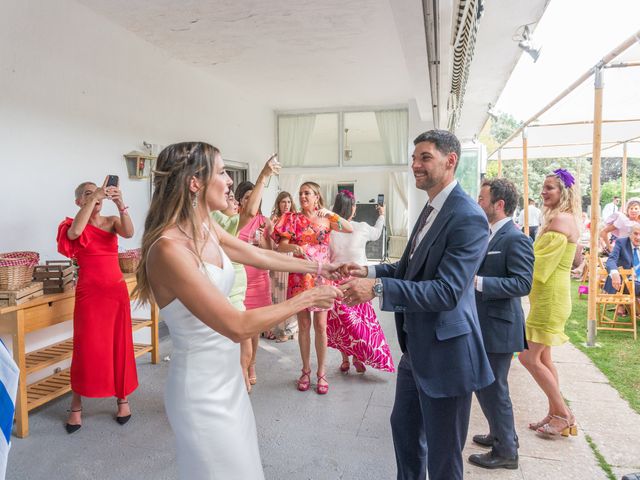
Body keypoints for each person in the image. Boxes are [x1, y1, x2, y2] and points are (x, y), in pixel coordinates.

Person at [135, 142, 342, 479]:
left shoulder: (205, 227)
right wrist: (307, 298)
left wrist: (319, 268)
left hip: (228, 379)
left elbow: (257, 255)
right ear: (194, 183)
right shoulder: (169, 250)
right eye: (221, 172)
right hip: (200, 391)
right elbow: (236, 325)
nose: (230, 181)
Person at [340, 129, 494, 480]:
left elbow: (445, 292)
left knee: (443, 459)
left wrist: (377, 287)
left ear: (450, 161)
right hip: (416, 351)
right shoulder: (431, 208)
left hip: (448, 355)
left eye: (425, 157)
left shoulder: (467, 216)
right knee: (405, 434)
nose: (415, 165)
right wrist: (368, 268)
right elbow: (409, 269)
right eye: (414, 158)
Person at [56, 178, 137, 434]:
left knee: (119, 345)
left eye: (98, 195)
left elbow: (130, 233)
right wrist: (93, 198)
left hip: (115, 293)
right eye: (89, 194)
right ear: (79, 200)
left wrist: (120, 202)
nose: (97, 198)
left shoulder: (112, 222)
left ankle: (122, 399)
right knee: (86, 348)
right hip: (89, 295)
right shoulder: (71, 224)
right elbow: (75, 234)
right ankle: (76, 406)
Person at [468, 179, 534, 470]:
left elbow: (522, 283)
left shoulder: (515, 238)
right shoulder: (489, 234)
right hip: (486, 324)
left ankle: (507, 451)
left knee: (494, 388)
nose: (478, 204)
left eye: (482, 199)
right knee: (486, 386)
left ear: (499, 205)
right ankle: (499, 433)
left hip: (500, 326)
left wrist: (478, 283)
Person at [273, 182, 353, 395]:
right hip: (300, 275)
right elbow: (280, 245)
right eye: (300, 193)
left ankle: (322, 372)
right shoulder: (292, 218)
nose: (302, 196)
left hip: (323, 276)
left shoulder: (327, 219)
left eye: (307, 193)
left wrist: (332, 214)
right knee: (304, 324)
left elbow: (349, 228)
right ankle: (306, 370)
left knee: (320, 326)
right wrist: (294, 247)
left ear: (317, 196)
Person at [518, 168, 581, 438]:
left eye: (550, 188)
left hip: (550, 298)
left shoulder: (560, 222)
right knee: (544, 357)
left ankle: (564, 414)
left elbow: (539, 265)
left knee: (527, 357)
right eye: (543, 187)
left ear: (563, 192)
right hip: (548, 296)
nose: (543, 192)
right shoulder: (563, 219)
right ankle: (556, 413)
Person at [327, 190, 394, 374]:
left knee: (343, 325)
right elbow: (378, 233)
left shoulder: (329, 229)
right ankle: (357, 357)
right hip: (359, 282)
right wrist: (382, 215)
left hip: (336, 282)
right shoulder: (362, 227)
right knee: (360, 324)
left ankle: (345, 360)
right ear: (352, 209)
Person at [236, 178, 275, 387]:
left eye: (255, 197)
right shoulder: (234, 220)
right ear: (240, 201)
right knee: (243, 327)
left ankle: (251, 364)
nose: (252, 201)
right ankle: (242, 365)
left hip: (259, 279)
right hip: (240, 279)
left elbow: (272, 252)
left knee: (254, 327)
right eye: (247, 197)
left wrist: (263, 243)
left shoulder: (265, 222)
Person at [269, 191, 299, 343]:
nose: (286, 205)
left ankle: (289, 329)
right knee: (276, 295)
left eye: (288, 202)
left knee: (289, 294)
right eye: (283, 202)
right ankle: (276, 328)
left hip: (290, 258)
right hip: (275, 258)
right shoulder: (273, 219)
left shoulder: (295, 219)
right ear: (278, 204)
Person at [604, 222, 640, 298]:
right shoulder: (621, 242)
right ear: (630, 234)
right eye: (636, 234)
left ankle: (630, 308)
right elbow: (611, 260)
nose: (638, 237)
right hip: (624, 281)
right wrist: (614, 273)